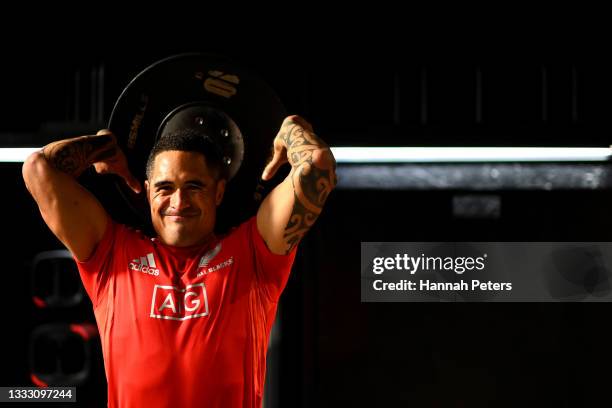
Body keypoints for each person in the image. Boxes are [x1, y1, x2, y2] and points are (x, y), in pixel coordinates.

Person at [22, 114, 337, 407]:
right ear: (147, 193)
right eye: (164, 188)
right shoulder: (111, 254)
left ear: (218, 192)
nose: (179, 201)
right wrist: (102, 147)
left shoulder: (252, 251)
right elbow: (38, 168)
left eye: (194, 186)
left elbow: (318, 165)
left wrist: (292, 129)